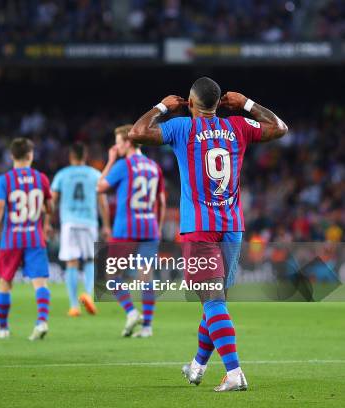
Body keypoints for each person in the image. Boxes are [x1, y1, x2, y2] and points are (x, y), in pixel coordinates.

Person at [128, 76, 288, 391]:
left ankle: (234, 372)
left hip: (200, 229)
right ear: (219, 103)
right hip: (232, 226)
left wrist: (162, 106)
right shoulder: (238, 126)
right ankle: (198, 367)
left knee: (212, 300)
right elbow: (280, 127)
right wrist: (246, 104)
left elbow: (136, 133)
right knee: (215, 302)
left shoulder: (182, 127)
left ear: (190, 102)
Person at [97, 125, 166, 338]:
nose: (116, 147)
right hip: (150, 228)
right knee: (147, 277)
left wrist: (110, 160)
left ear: (128, 143)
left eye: (118, 142)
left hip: (126, 228)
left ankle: (131, 311)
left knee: (111, 275)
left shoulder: (123, 165)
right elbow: (161, 201)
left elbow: (99, 187)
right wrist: (159, 227)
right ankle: (147, 327)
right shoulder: (154, 167)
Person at [0, 138, 53, 340]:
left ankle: (3, 328)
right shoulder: (41, 178)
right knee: (40, 282)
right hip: (34, 237)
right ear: (30, 155)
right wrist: (46, 223)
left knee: (5, 282)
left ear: (11, 156)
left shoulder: (4, 180)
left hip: (11, 238)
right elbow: (49, 207)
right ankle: (41, 321)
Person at [50, 142, 110, 317]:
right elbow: (102, 203)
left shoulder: (62, 175)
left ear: (70, 157)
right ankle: (88, 294)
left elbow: (52, 200)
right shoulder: (95, 174)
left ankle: (74, 305)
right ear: (85, 157)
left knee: (71, 262)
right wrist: (106, 225)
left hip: (69, 222)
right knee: (91, 260)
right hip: (89, 222)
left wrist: (47, 222)